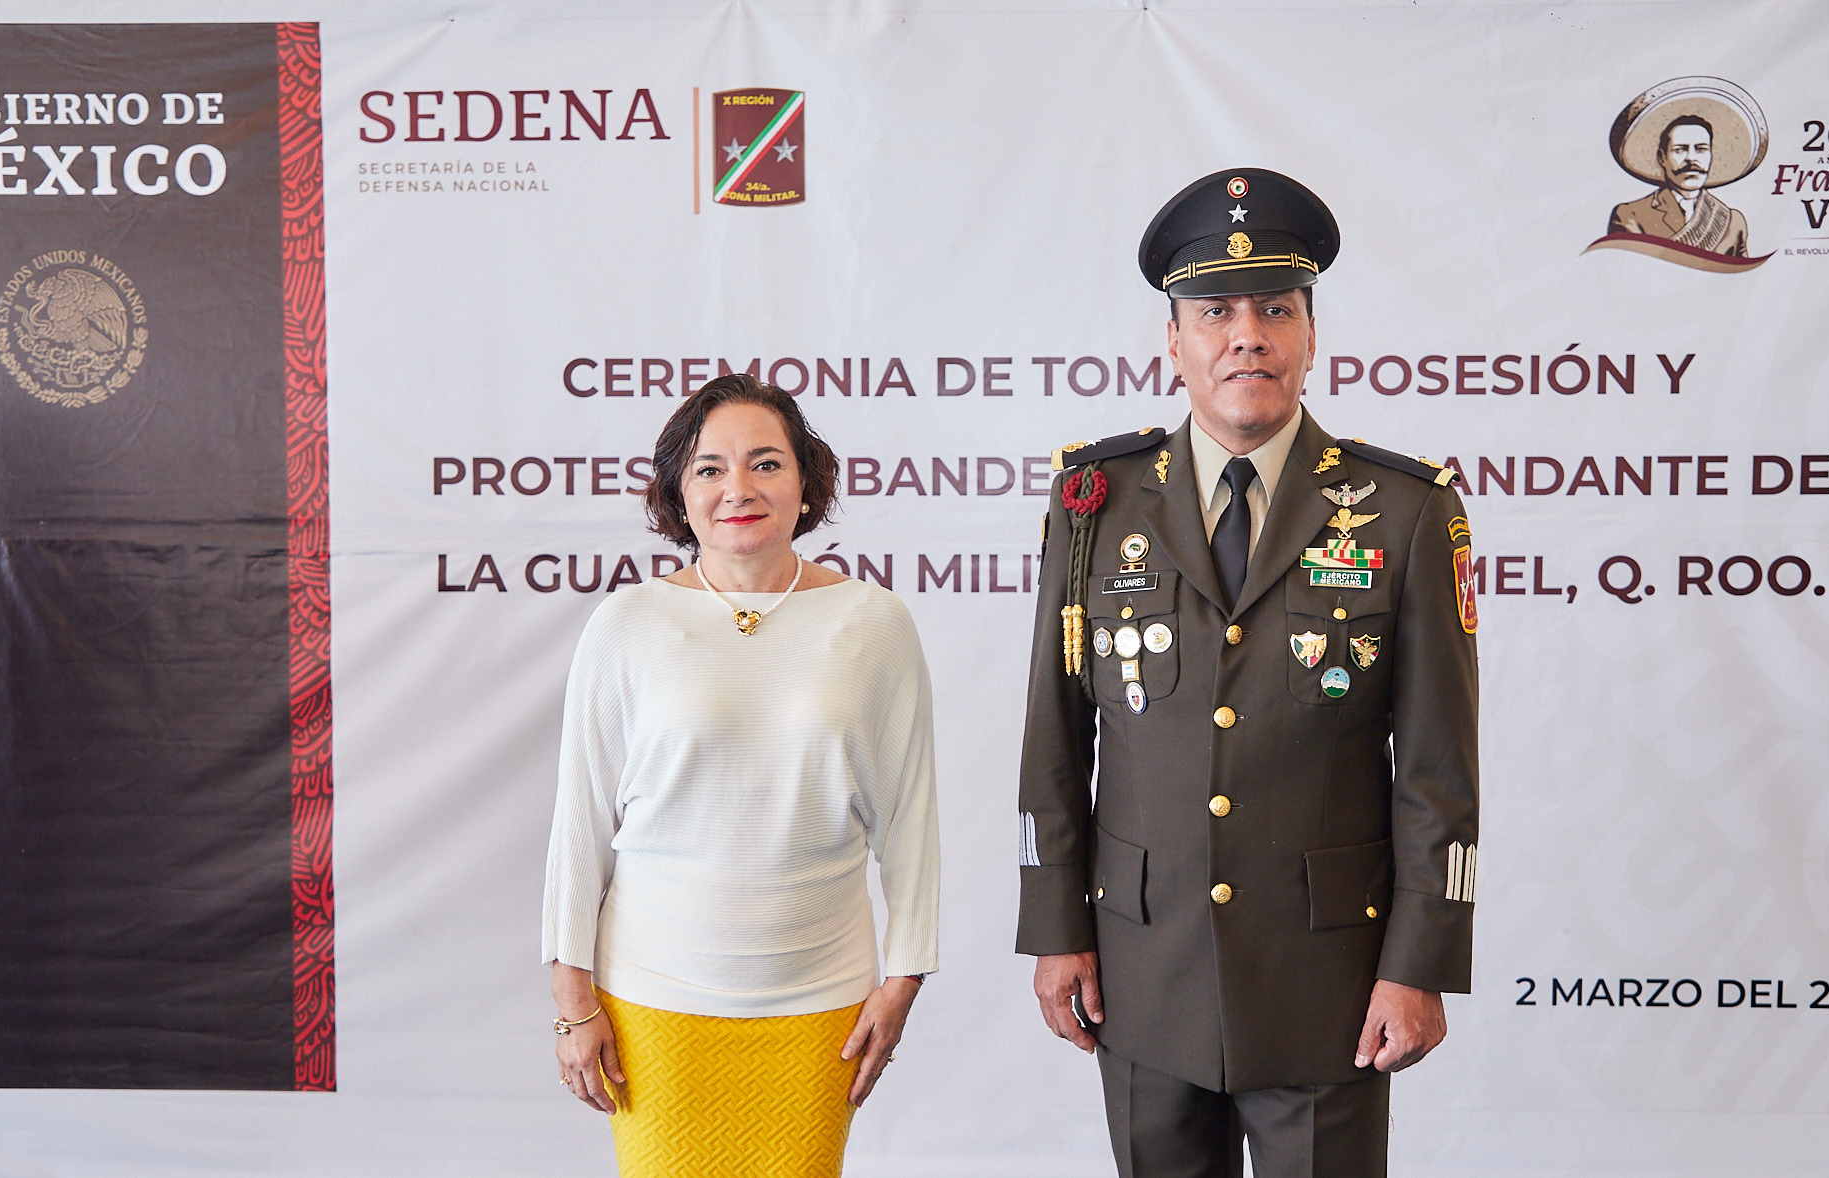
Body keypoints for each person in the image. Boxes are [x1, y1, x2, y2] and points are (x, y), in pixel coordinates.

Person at [1015, 168, 1480, 1178]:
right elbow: (1055, 732)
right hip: (1143, 957)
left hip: (1330, 972)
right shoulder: (1095, 498)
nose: (1246, 334)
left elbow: (1436, 765)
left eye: (1275, 308)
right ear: (1172, 341)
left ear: (1310, 335)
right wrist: (1056, 925)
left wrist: (1419, 960)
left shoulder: (1400, 508)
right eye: (1213, 310)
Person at [543, 373, 939, 1176]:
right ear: (678, 494)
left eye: (766, 463)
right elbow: (580, 823)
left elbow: (911, 819)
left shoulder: (874, 622)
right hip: (654, 1006)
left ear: (806, 482)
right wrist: (571, 1004)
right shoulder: (627, 624)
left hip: (819, 1005)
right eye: (709, 469)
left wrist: (903, 979)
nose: (739, 489)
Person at [1607, 114, 1750, 255]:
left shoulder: (1731, 220)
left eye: (1701, 149)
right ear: (1662, 158)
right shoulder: (1631, 215)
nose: (1691, 159)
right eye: (1679, 150)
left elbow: (1744, 276)